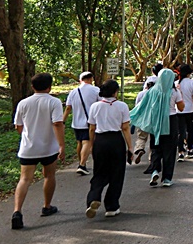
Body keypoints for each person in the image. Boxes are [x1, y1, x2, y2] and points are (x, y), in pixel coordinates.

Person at [12, 73, 65, 229]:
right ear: (50, 87)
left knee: (24, 179)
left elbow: (18, 126)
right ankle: (47, 206)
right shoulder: (54, 102)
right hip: (49, 148)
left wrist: (28, 136)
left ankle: (17, 211)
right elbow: (57, 124)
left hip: (28, 148)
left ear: (32, 86)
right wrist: (61, 145)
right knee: (49, 175)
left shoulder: (23, 103)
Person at [85, 80, 132, 219]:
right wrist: (130, 147)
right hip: (116, 140)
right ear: (115, 92)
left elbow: (92, 128)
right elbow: (125, 128)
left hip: (100, 141)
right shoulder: (122, 106)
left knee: (99, 171)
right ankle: (112, 206)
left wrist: (92, 144)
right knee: (117, 173)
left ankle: (94, 197)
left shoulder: (95, 106)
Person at [130, 68, 184, 188]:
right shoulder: (174, 92)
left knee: (155, 147)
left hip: (156, 121)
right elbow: (181, 108)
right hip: (171, 121)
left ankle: (154, 170)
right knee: (170, 150)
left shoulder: (152, 91)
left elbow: (143, 106)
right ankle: (167, 178)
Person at [64, 71, 99, 176]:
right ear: (91, 79)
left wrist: (63, 121)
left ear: (80, 80)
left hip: (76, 122)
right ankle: (82, 165)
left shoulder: (73, 91)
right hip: (89, 122)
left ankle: (81, 163)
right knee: (87, 142)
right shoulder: (96, 90)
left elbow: (68, 107)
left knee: (79, 142)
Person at [176, 64, 193, 159]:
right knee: (190, 130)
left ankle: (180, 152)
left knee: (180, 132)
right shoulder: (192, 83)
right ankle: (190, 149)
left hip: (178, 110)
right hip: (190, 110)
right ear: (188, 73)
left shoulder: (176, 84)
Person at [133, 78, 155, 165]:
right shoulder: (156, 93)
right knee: (153, 138)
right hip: (153, 119)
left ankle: (140, 148)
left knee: (141, 137)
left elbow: (136, 106)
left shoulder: (141, 94)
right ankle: (151, 155)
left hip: (142, 119)